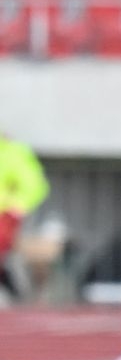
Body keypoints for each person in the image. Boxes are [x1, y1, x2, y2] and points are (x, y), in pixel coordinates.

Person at [0, 128, 48, 303]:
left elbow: (34, 184)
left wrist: (18, 205)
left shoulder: (13, 152)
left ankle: (13, 291)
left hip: (5, 214)